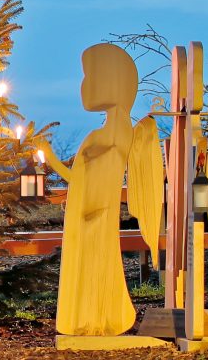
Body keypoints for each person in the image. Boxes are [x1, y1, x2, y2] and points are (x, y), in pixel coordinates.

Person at [37, 43, 137, 336]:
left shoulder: (113, 135)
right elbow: (80, 179)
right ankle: (91, 321)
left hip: (96, 216)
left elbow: (88, 181)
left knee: (96, 271)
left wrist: (50, 157)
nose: (83, 85)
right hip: (88, 215)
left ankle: (101, 320)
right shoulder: (107, 133)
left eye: (89, 76)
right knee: (90, 271)